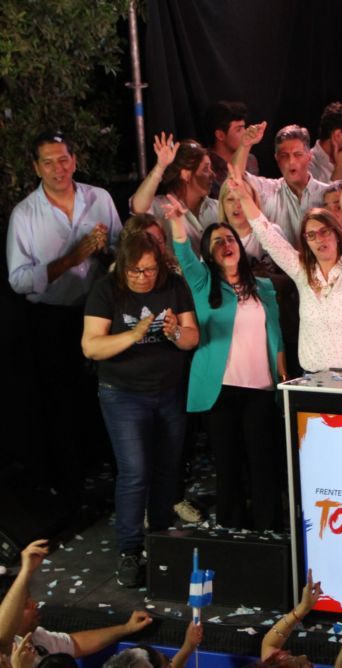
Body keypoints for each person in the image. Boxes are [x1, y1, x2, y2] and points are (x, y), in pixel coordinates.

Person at [6, 131, 122, 505]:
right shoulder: (25, 214)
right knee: (61, 402)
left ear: (74, 160)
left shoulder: (100, 199)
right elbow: (19, 280)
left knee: (108, 394)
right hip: (52, 320)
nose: (58, 169)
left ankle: (116, 476)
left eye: (63, 159)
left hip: (101, 314)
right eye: (49, 162)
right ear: (36, 167)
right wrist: (72, 258)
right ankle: (71, 487)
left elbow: (122, 252)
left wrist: (104, 252)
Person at [81, 225, 199, 586]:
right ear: (123, 266)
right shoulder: (107, 289)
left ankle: (160, 539)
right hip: (123, 393)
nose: (142, 277)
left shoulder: (174, 286)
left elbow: (192, 337)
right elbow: (91, 346)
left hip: (169, 390)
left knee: (167, 468)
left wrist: (174, 332)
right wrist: (133, 334)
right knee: (135, 471)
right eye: (135, 270)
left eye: (149, 270)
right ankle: (130, 551)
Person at [164, 195, 285, 531]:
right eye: (217, 241)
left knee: (262, 461)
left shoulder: (263, 287)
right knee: (228, 462)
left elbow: (276, 334)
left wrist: (283, 375)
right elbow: (183, 254)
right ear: (208, 253)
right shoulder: (203, 282)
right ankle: (232, 526)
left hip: (261, 388)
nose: (225, 245)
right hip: (220, 390)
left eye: (230, 239)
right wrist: (177, 221)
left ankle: (268, 525)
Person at [225, 164, 342, 373]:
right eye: (311, 235)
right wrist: (244, 198)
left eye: (325, 231)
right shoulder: (302, 272)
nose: (319, 239)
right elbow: (269, 238)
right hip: (313, 379)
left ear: (337, 234)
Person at [0, 540, 154, 657]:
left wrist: (126, 628)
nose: (34, 604)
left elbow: (76, 644)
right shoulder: (6, 655)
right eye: (24, 605)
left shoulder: (37, 637)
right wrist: (25, 572)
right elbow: (2, 637)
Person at [231, 122, 329, 247]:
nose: (291, 161)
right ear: (277, 158)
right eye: (284, 155)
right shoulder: (268, 190)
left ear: (309, 156)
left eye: (298, 155)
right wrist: (245, 145)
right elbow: (235, 179)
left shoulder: (326, 194)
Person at [130, 133, 218, 255]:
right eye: (206, 169)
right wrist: (160, 167)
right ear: (186, 175)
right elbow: (139, 208)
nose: (213, 175)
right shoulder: (162, 206)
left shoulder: (218, 207)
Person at [203, 100, 259, 197]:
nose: (245, 133)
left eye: (244, 127)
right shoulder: (205, 166)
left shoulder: (250, 160)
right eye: (239, 129)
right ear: (220, 135)